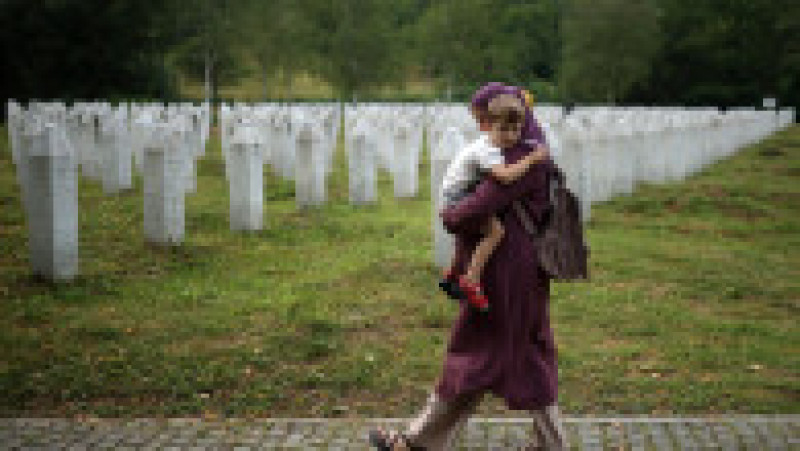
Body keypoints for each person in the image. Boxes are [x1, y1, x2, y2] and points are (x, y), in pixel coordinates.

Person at [369, 83, 569, 450]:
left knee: (492, 354)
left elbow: (468, 212)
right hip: (510, 267)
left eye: (484, 118)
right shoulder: (521, 151)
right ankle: (423, 442)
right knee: (495, 353)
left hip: (508, 271)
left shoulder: (521, 159)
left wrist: (449, 214)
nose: (483, 127)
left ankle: (419, 443)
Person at [439, 92, 549, 312]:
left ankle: (452, 273)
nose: (510, 136)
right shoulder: (487, 149)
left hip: (456, 194)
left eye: (515, 130)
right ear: (488, 126)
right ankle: (471, 280)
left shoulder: (488, 142)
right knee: (495, 232)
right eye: (503, 130)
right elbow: (505, 177)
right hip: (458, 199)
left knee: (471, 232)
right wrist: (530, 159)